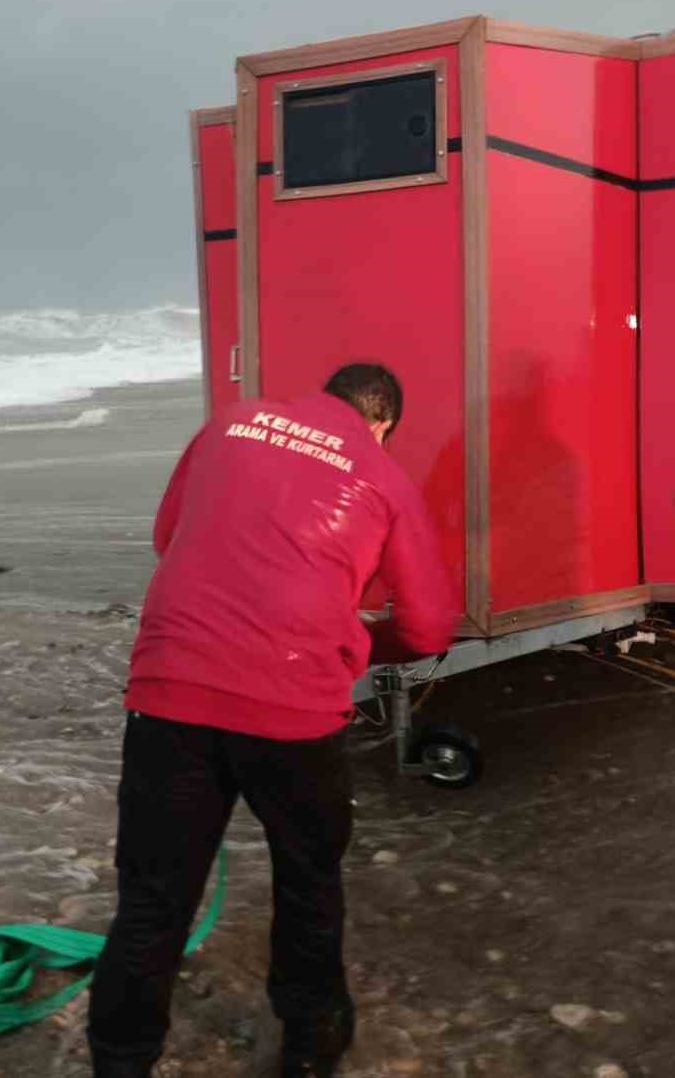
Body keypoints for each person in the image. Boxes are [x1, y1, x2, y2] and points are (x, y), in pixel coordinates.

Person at [88, 363, 456, 1077]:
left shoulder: (230, 424)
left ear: (326, 396)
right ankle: (312, 1048)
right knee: (308, 881)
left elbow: (169, 535)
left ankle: (120, 1062)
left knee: (152, 902)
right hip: (294, 714)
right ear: (383, 425)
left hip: (170, 690)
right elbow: (430, 628)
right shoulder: (383, 477)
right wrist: (354, 639)